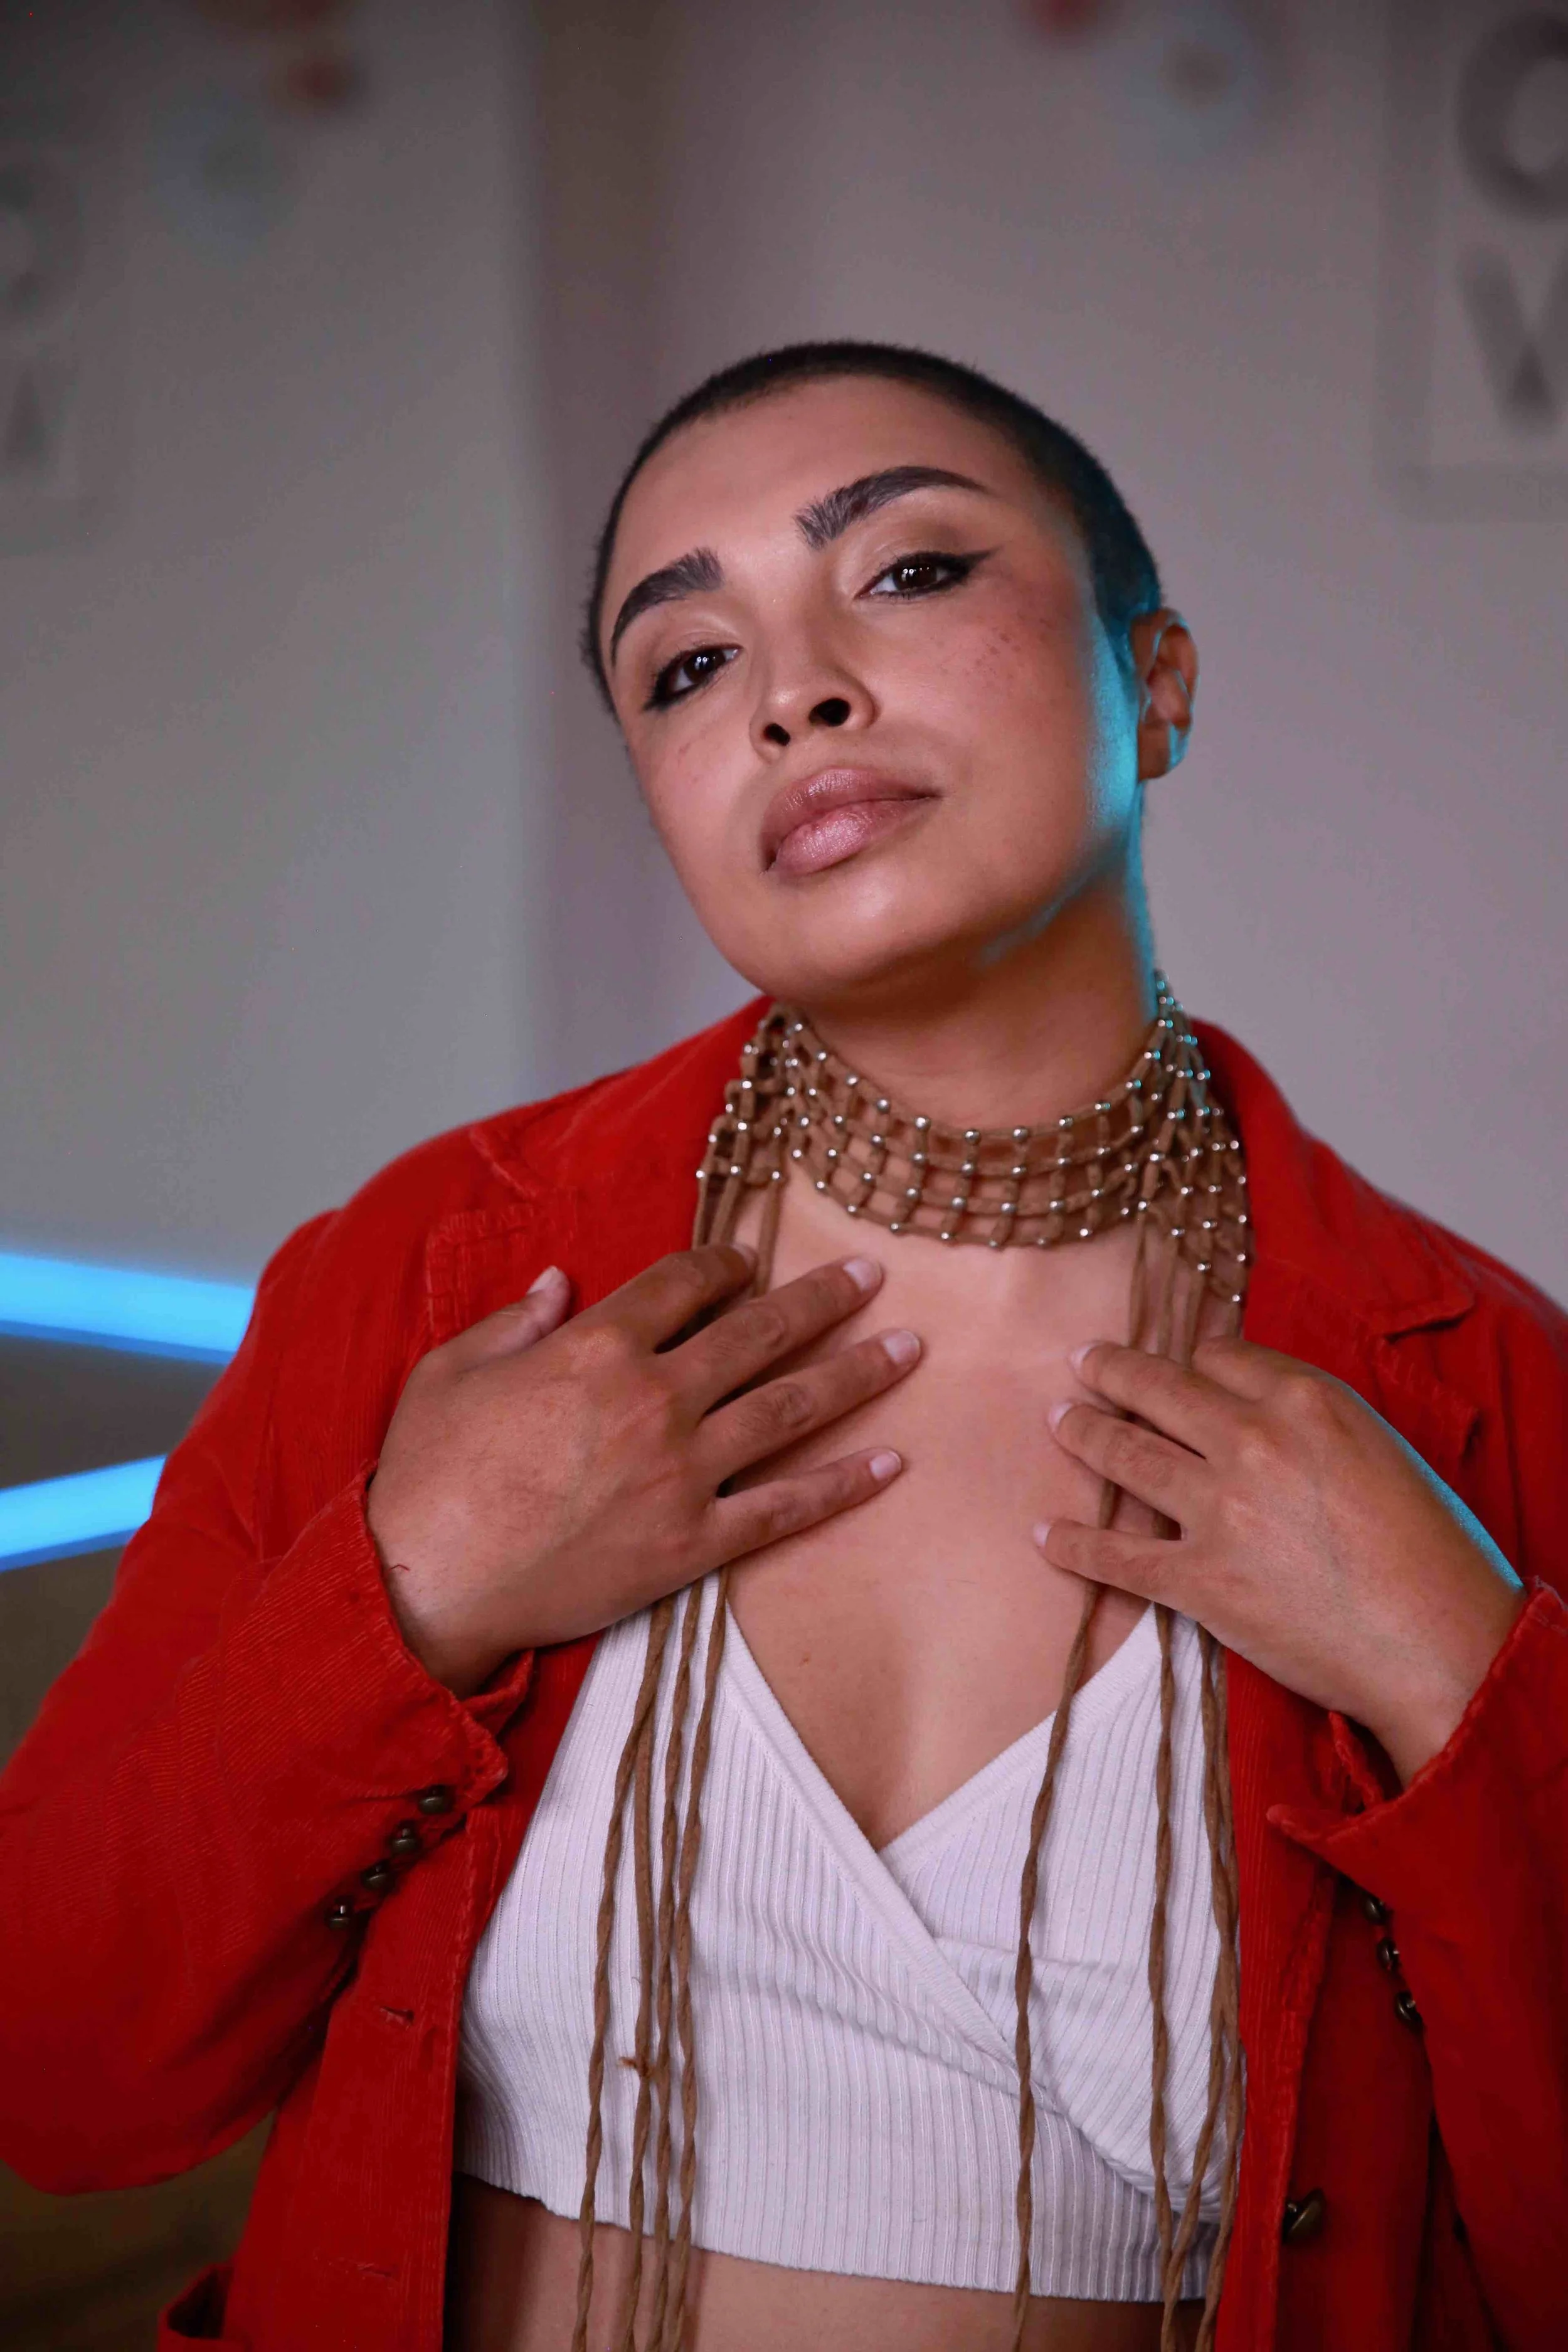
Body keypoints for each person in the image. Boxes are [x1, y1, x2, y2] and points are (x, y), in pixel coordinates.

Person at [0, 342, 1563, 2352]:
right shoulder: (434, 1280)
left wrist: (1461, 1680)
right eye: (684, 665)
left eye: (906, 572)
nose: (791, 690)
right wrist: (411, 1600)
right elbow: (60, 2070)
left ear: (1152, 676)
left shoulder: (1470, 1387)